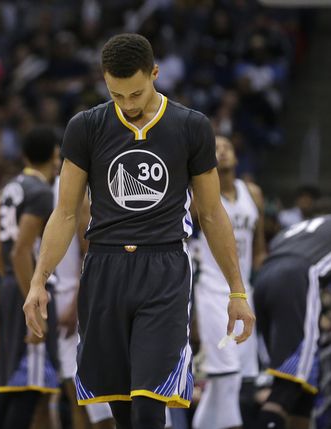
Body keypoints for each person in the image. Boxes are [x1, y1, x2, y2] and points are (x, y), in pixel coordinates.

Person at [23, 33, 255, 429]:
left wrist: (237, 290)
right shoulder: (85, 127)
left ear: (155, 74)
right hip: (104, 266)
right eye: (117, 96)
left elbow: (213, 215)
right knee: (123, 409)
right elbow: (64, 214)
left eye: (135, 94)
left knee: (150, 406)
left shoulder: (191, 126)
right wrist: (38, 281)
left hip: (163, 267)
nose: (128, 105)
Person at [191, 135, 266, 429]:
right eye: (215, 149)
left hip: (243, 290)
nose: (221, 152)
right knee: (225, 374)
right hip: (210, 288)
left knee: (237, 380)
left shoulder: (253, 193)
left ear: (236, 156)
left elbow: (259, 248)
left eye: (227, 147)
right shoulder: (199, 195)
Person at [0, 126, 61, 429]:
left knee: (16, 384)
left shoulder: (8, 188)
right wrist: (31, 303)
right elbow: (20, 252)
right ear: (55, 157)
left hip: (11, 286)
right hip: (28, 290)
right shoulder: (41, 192)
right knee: (29, 386)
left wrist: (9, 282)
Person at [253, 214, 331, 429]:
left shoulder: (305, 226)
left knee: (304, 385)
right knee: (289, 381)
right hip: (298, 277)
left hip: (264, 277)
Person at [52, 175, 115, 429]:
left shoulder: (77, 186)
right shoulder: (56, 185)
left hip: (79, 299)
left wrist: (78, 300)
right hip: (63, 297)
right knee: (75, 393)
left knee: (94, 397)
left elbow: (88, 250)